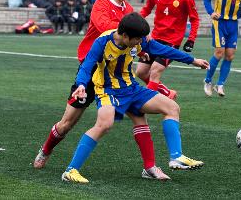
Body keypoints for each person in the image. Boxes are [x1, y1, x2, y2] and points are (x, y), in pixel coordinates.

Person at [34, 0, 170, 180]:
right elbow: (107, 28)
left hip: (117, 76)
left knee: (138, 115)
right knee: (67, 123)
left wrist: (140, 47)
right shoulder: (101, 4)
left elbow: (133, 38)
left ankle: (150, 166)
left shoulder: (128, 10)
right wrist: (139, 34)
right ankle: (46, 149)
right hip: (92, 71)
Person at [61, 13, 209, 183]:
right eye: (137, 39)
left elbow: (164, 50)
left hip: (131, 88)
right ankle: (71, 171)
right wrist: (81, 84)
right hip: (108, 91)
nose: (140, 42)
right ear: (124, 36)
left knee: (171, 107)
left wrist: (192, 60)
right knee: (104, 124)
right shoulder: (102, 42)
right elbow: (87, 66)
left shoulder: (137, 40)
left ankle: (175, 157)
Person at [136, 0, 200, 100]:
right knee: (140, 72)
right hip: (154, 39)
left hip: (171, 42)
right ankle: (167, 93)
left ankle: (146, 104)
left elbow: (195, 19)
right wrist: (136, 21)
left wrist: (191, 39)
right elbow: (146, 9)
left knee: (155, 71)